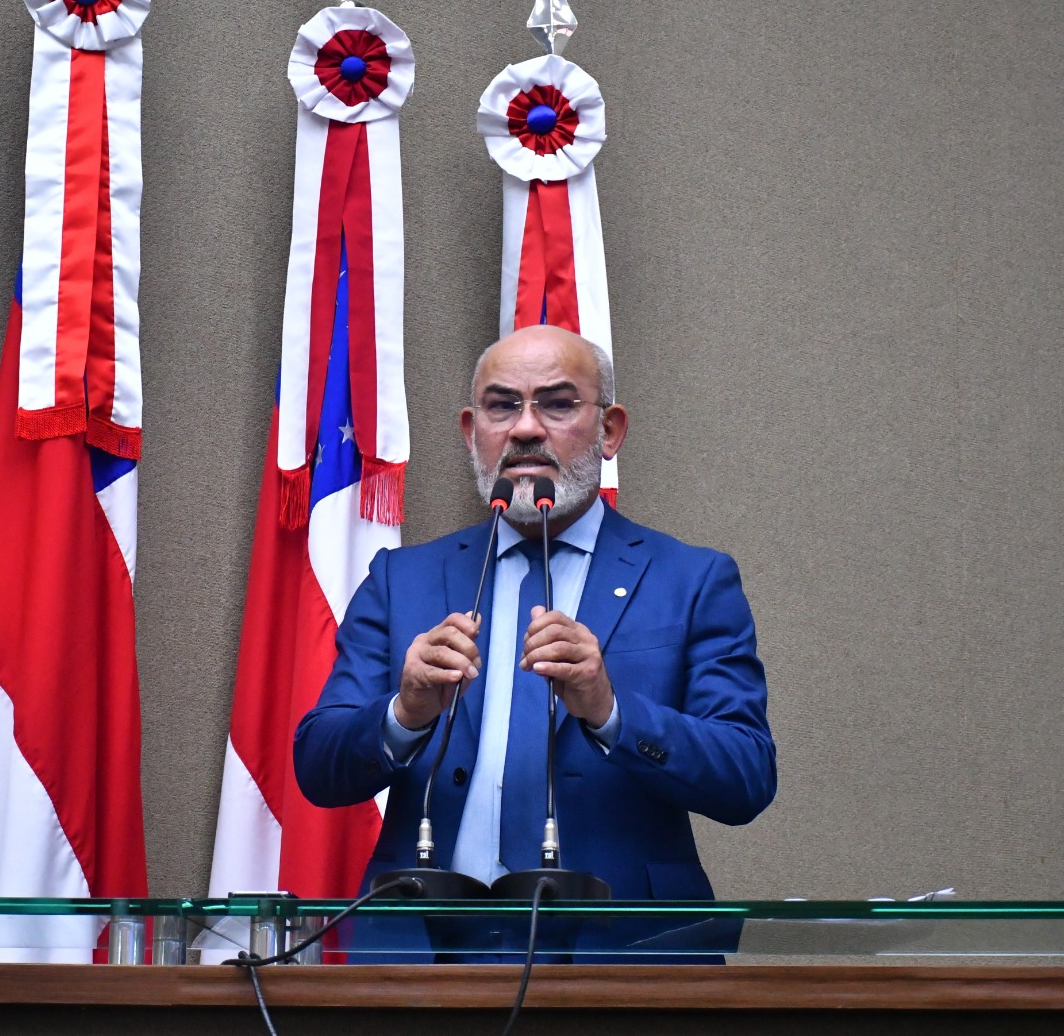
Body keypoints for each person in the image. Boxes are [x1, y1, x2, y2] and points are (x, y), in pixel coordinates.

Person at [294, 325, 776, 954]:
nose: (525, 428)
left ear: (610, 430)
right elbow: (318, 766)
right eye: (502, 406)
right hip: (423, 963)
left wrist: (611, 712)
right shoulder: (401, 579)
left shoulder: (691, 580)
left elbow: (745, 776)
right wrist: (403, 715)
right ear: (473, 433)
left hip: (624, 959)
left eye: (557, 403)